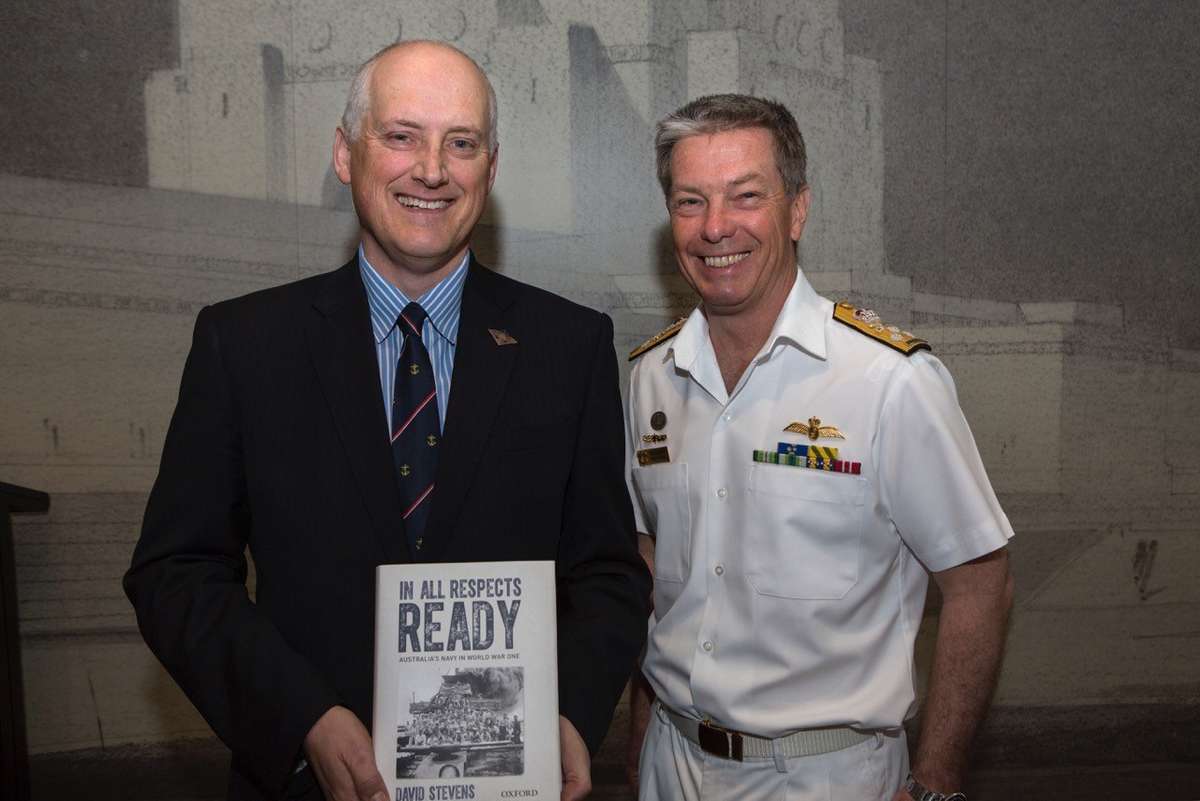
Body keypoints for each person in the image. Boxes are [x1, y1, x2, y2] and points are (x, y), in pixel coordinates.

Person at [124, 40, 649, 801]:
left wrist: (570, 713)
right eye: (401, 135)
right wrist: (302, 716)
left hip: (510, 781)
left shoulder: (569, 347)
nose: (431, 168)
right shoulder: (243, 345)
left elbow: (607, 572)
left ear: (489, 170)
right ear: (346, 153)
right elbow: (173, 574)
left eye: (460, 143)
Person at [625, 94, 1014, 801]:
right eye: (690, 202)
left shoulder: (890, 381)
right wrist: (640, 745)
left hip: (823, 775)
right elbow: (654, 574)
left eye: (746, 196)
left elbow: (981, 580)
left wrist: (938, 777)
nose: (716, 228)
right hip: (670, 763)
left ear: (797, 209)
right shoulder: (649, 378)